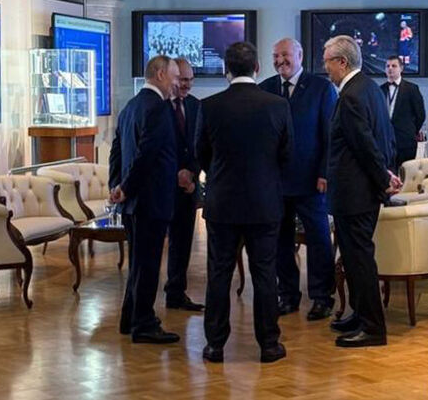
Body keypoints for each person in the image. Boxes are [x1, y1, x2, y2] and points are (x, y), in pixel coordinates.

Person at [196, 42, 293, 363]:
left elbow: (201, 154)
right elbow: (287, 154)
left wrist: (219, 175)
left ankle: (214, 345)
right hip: (264, 202)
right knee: (265, 274)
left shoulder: (209, 106)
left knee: (218, 273)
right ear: (257, 68)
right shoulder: (278, 106)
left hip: (222, 203)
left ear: (226, 69)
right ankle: (269, 344)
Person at [323, 35, 401, 348]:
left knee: (359, 261)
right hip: (362, 192)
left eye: (328, 62)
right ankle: (359, 314)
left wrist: (383, 178)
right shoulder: (368, 87)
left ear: (342, 62)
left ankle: (372, 328)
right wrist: (386, 173)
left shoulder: (351, 95)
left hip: (355, 194)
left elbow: (364, 145)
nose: (325, 68)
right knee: (355, 259)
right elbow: (385, 137)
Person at [259, 38, 338, 321]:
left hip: (311, 181)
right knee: (280, 241)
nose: (280, 60)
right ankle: (288, 295)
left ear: (300, 55)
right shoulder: (265, 89)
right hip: (275, 182)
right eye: (275, 56)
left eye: (285, 55)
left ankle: (322, 297)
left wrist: (324, 172)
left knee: (318, 239)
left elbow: (330, 134)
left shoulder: (321, 88)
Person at [109, 55, 180, 344]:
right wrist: (126, 187)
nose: (177, 83)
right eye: (175, 77)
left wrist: (116, 186)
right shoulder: (159, 109)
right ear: (160, 74)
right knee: (148, 264)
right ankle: (144, 324)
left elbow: (116, 150)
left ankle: (130, 318)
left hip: (132, 203)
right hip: (151, 200)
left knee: (138, 262)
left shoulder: (131, 106)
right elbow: (147, 155)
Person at [164, 57, 204, 312]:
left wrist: (191, 173)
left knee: (182, 243)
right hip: (162, 187)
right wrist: (175, 174)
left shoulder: (196, 106)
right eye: (182, 80)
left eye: (190, 80)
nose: (187, 85)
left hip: (188, 189)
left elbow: (201, 145)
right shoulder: (157, 106)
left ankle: (176, 293)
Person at [381, 55, 426, 170]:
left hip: (406, 142)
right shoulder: (380, 90)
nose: (390, 69)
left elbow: (420, 115)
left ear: (401, 68)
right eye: (387, 66)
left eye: (394, 66)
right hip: (385, 142)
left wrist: (410, 130)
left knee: (406, 174)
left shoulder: (412, 89)